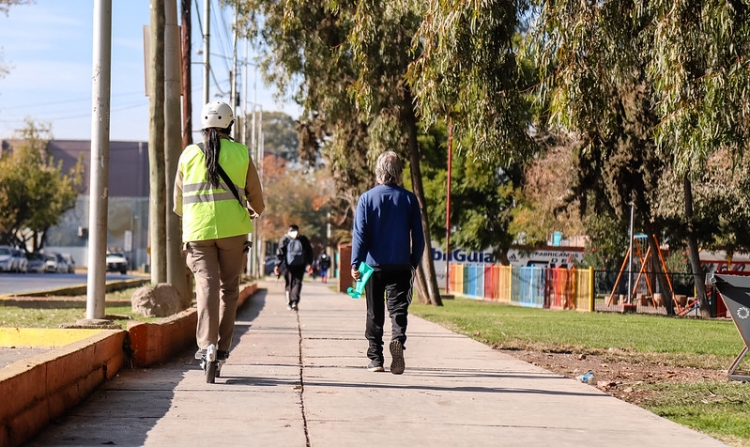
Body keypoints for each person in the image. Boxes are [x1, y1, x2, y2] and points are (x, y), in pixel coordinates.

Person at [173, 101, 265, 379]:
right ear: (230, 125)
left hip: (198, 232)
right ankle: (222, 350)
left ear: (204, 126)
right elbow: (257, 198)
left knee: (206, 288)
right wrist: (254, 211)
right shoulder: (241, 153)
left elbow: (178, 203)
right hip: (233, 232)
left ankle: (207, 345)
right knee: (229, 289)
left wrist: (192, 215)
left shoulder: (188, 155)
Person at [351, 151, 424, 374]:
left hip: (373, 266)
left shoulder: (366, 199)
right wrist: (414, 262)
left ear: (378, 172)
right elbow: (418, 236)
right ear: (398, 173)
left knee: (374, 312)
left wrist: (356, 263)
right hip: (400, 264)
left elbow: (360, 234)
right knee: (398, 309)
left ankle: (375, 359)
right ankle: (398, 342)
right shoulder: (409, 199)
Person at [274, 224, 314, 310]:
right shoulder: (303, 239)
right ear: (298, 230)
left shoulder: (284, 239)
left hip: (287, 265)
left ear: (289, 230)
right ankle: (295, 301)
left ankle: (289, 302)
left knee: (289, 282)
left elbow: (280, 253)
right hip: (300, 264)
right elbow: (309, 252)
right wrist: (310, 264)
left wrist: (277, 265)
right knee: (297, 282)